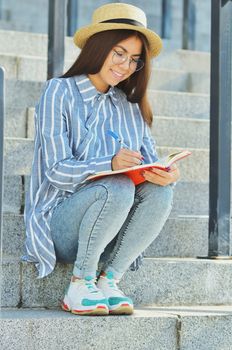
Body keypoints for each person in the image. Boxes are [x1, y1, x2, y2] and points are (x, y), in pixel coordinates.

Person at [23, 2, 180, 316]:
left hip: (113, 227)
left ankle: (110, 279)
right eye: (119, 53)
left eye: (135, 60)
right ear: (99, 48)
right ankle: (80, 284)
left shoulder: (130, 106)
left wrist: (167, 172)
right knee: (117, 184)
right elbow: (55, 171)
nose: (125, 65)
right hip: (61, 225)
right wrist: (108, 165)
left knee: (162, 191)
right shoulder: (60, 91)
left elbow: (148, 164)